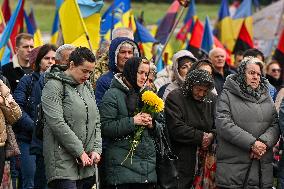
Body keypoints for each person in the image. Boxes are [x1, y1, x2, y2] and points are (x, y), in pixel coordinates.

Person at [41, 47, 102, 189]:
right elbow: (56, 122)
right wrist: (79, 151)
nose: (87, 76)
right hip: (62, 163)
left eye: (90, 72)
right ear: (72, 64)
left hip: (86, 164)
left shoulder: (86, 86)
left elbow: (96, 121)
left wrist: (96, 150)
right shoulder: (53, 85)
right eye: (84, 71)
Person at [215, 57, 279, 188]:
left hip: (261, 169)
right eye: (251, 73)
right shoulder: (227, 95)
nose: (255, 77)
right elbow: (224, 123)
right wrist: (252, 144)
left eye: (258, 74)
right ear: (241, 74)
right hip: (235, 172)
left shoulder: (266, 96)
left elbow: (275, 124)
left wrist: (263, 143)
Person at [99, 57, 156, 189]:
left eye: (146, 74)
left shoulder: (148, 95)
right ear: (130, 71)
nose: (144, 77)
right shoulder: (112, 95)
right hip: (122, 168)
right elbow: (105, 127)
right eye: (140, 72)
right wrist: (133, 121)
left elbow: (161, 125)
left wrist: (151, 124)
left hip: (146, 168)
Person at [30, 44, 75, 189]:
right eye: (70, 59)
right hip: (48, 146)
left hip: (70, 148)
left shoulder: (81, 82)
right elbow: (48, 117)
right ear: (58, 62)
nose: (73, 63)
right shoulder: (45, 81)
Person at [13, 44, 57, 189]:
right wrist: (35, 126)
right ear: (38, 61)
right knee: (30, 181)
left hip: (53, 140)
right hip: (28, 138)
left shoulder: (59, 82)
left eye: (53, 58)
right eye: (46, 58)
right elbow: (18, 108)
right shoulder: (28, 81)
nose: (50, 61)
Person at [165, 69, 216, 188]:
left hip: (206, 158)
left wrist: (212, 135)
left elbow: (219, 123)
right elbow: (175, 127)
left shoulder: (212, 99)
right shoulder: (175, 97)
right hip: (182, 156)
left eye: (204, 91)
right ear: (190, 85)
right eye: (198, 89)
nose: (201, 94)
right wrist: (201, 137)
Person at [95, 37, 140, 105]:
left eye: (130, 52)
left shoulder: (140, 78)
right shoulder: (104, 81)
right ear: (115, 55)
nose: (127, 56)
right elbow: (102, 110)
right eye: (123, 52)